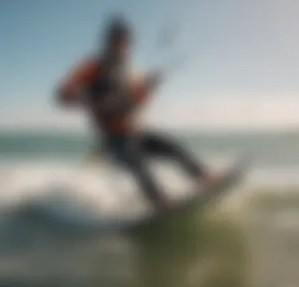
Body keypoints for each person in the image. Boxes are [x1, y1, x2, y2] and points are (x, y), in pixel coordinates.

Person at [55, 16, 216, 211]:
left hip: (134, 133)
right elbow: (62, 95)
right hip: (114, 139)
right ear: (109, 41)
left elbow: (135, 104)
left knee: (172, 147)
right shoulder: (93, 66)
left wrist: (148, 87)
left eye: (126, 42)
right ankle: (160, 202)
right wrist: (89, 99)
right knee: (138, 164)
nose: (123, 46)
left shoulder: (128, 71)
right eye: (118, 40)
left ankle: (205, 180)